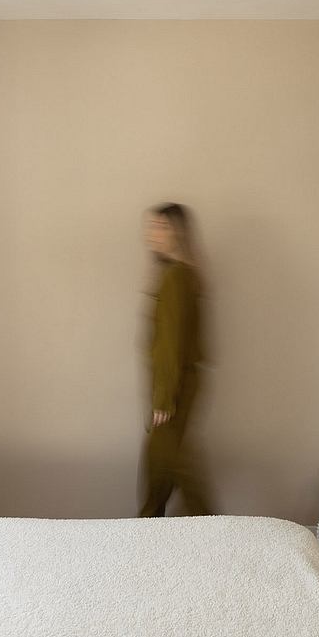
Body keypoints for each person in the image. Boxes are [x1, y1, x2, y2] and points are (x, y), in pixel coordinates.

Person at [138, 203, 212, 517]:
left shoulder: (175, 278)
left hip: (174, 387)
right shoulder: (183, 274)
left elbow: (171, 343)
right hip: (178, 383)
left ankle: (213, 529)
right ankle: (149, 526)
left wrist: (164, 399)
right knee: (163, 465)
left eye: (162, 227)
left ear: (178, 233)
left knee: (172, 463)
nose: (153, 233)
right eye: (152, 226)